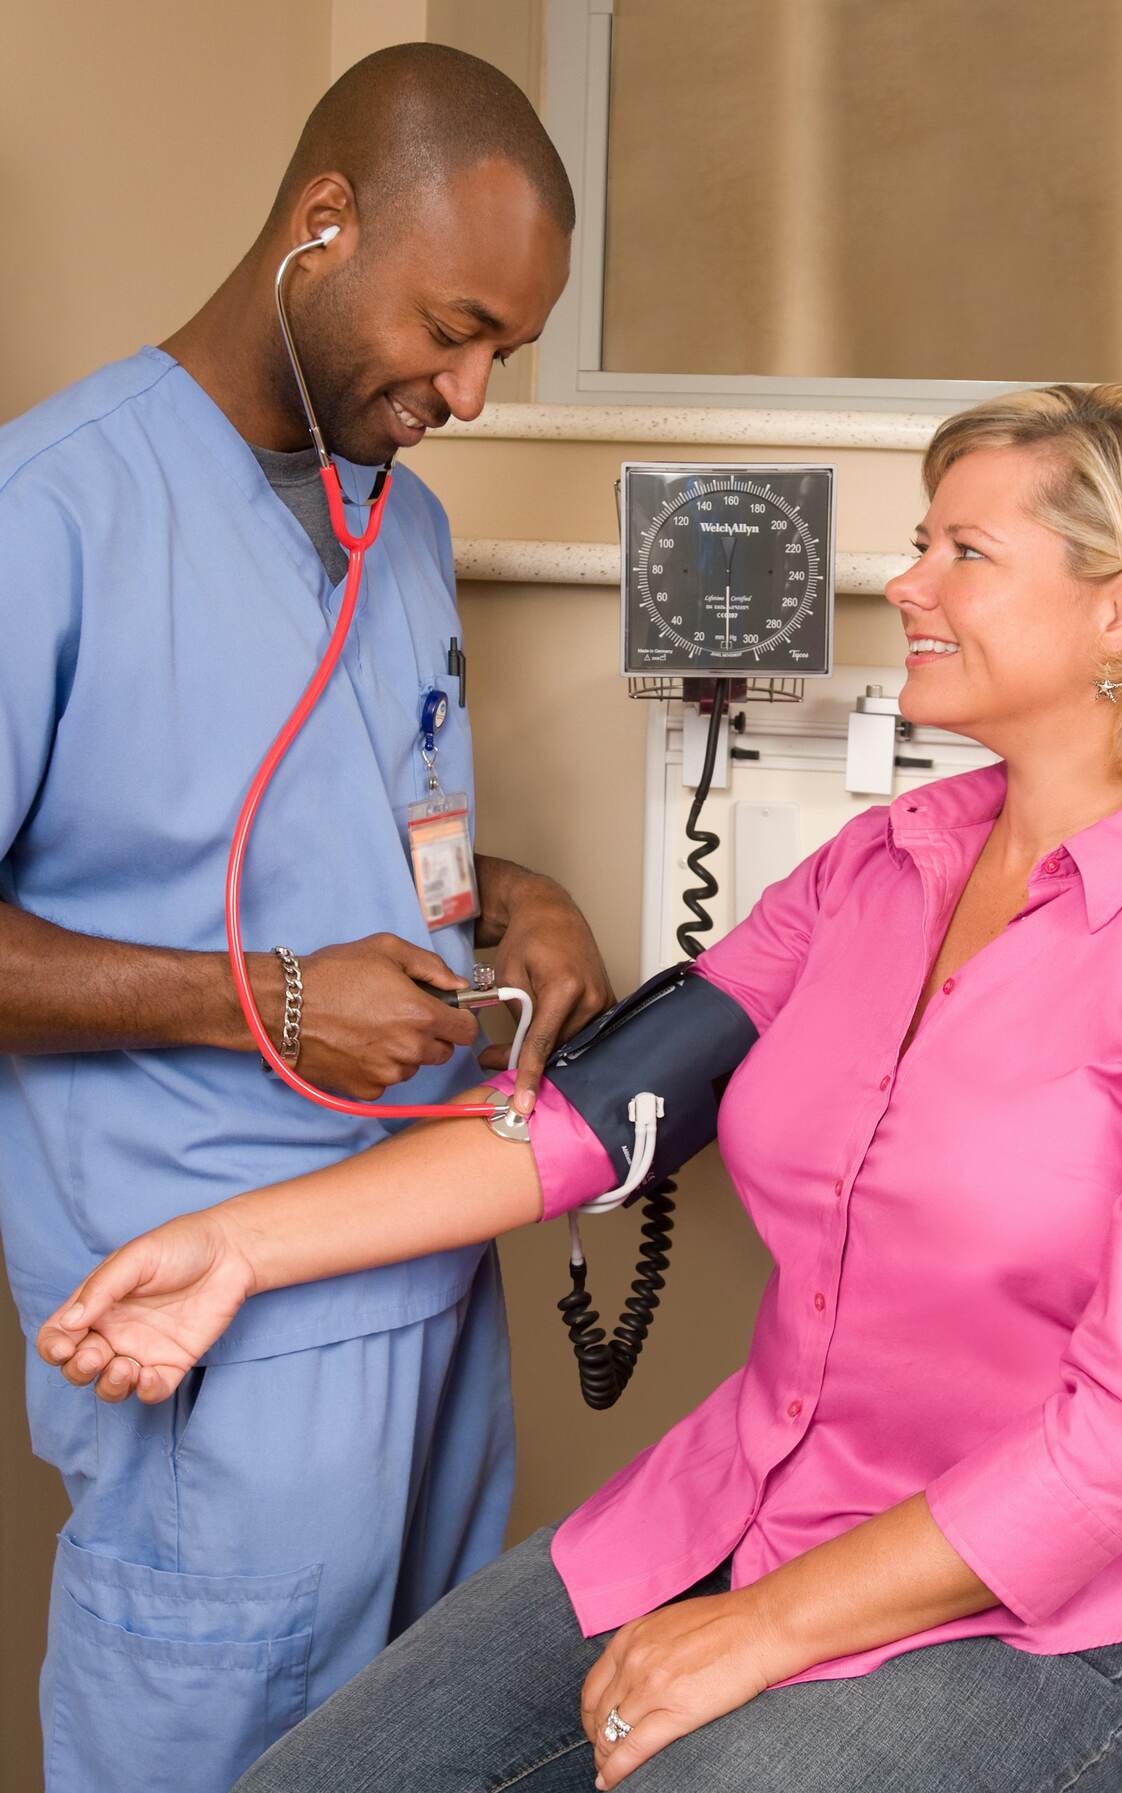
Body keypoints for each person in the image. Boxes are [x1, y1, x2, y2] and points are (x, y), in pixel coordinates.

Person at [39, 385, 1122, 1793]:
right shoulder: (876, 868)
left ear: (1120, 608)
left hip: (1036, 1614)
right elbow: (586, 1120)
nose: (907, 581)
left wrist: (759, 1628)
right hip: (737, 1501)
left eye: (965, 551)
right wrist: (239, 1244)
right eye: (918, 541)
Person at [3, 42, 616, 1793]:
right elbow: (270, 942)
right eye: (454, 326)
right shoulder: (48, 516)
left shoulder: (399, 527)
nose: (476, 389)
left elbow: (344, 831)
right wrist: (266, 997)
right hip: (217, 1337)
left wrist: (526, 898)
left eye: (506, 347)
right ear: (323, 224)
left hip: (434, 1286)